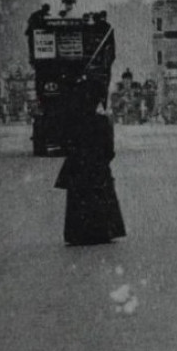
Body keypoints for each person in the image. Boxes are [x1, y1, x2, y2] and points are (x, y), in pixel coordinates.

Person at [55, 83, 126, 246]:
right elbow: (109, 149)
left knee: (78, 201)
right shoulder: (102, 122)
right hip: (97, 167)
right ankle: (101, 231)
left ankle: (79, 232)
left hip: (78, 167)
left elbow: (65, 144)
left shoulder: (72, 122)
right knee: (100, 198)